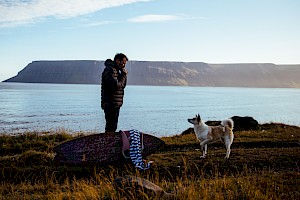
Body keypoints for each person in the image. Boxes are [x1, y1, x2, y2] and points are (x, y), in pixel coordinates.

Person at [101, 53, 128, 133]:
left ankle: (109, 143)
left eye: (124, 64)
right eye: (122, 63)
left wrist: (124, 76)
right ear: (117, 60)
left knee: (112, 126)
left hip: (114, 103)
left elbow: (122, 86)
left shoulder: (116, 71)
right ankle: (107, 143)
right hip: (110, 103)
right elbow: (116, 86)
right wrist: (123, 75)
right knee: (110, 127)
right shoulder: (111, 70)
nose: (123, 65)